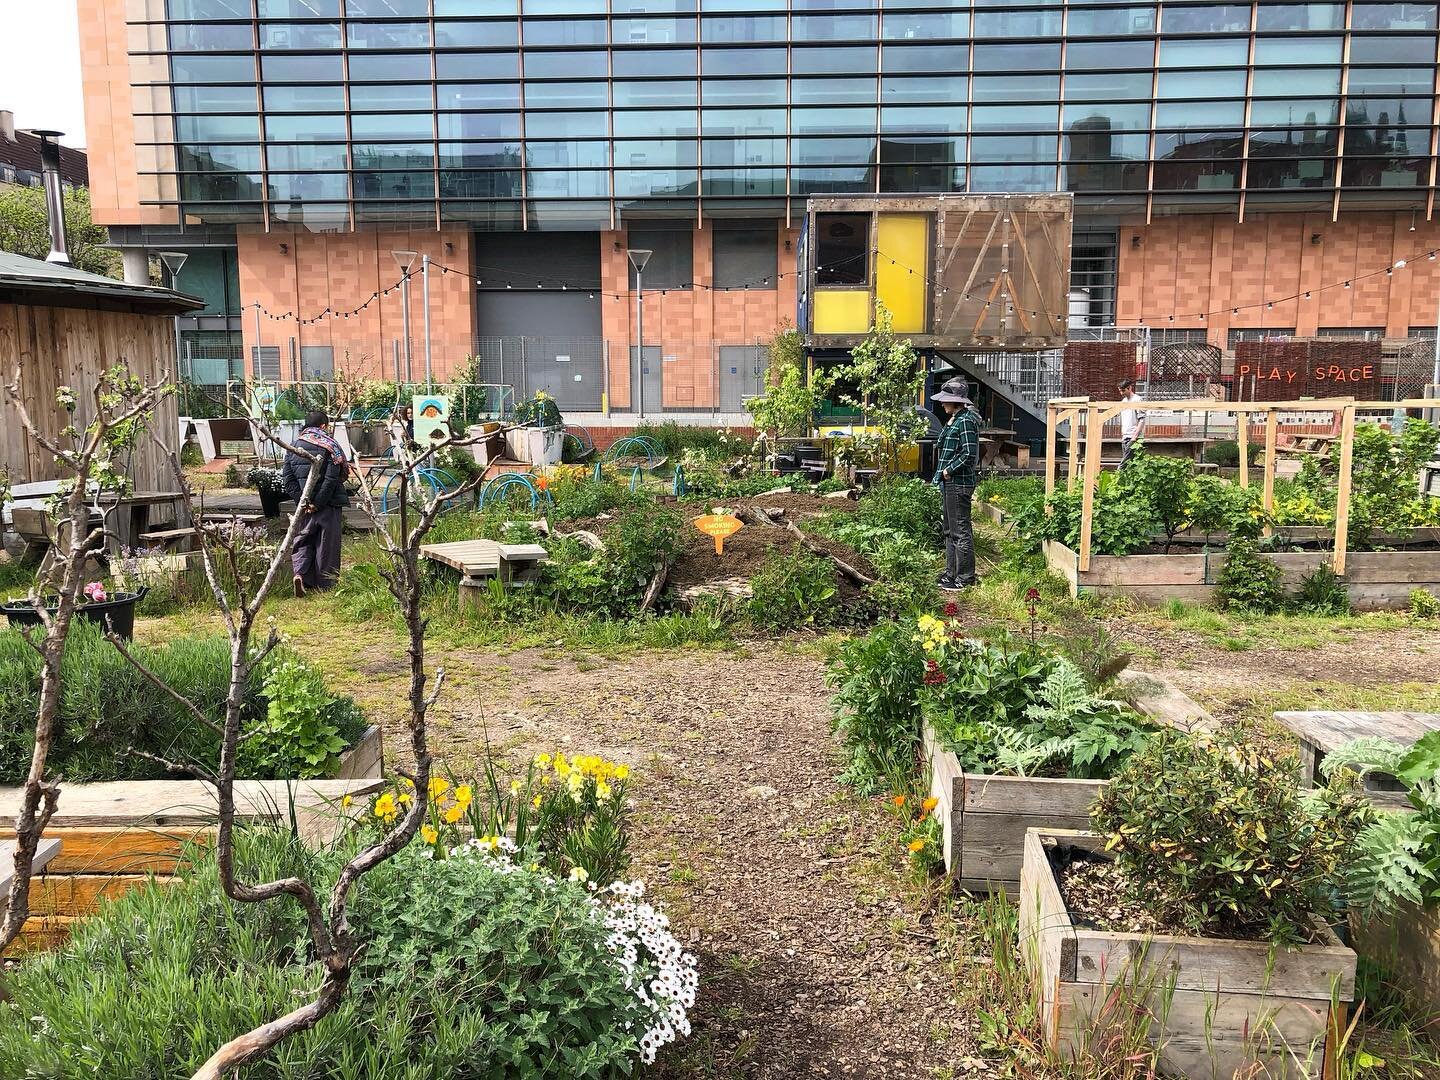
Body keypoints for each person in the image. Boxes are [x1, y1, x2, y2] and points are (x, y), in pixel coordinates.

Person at [281, 410, 350, 596]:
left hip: (303, 505)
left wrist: (302, 501)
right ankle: (325, 585)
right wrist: (318, 503)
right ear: (323, 426)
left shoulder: (294, 447)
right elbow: (331, 478)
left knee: (303, 540)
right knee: (326, 543)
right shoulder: (330, 446)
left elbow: (287, 479)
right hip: (328, 503)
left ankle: (301, 575)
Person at [930, 377, 980, 590]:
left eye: (946, 400)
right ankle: (951, 574)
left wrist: (949, 470)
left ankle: (965, 578)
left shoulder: (966, 421)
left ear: (956, 402)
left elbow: (969, 454)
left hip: (958, 483)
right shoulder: (955, 419)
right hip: (949, 482)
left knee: (960, 531)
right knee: (950, 531)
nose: (942, 404)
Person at [1118, 378, 1146, 468]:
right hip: (1125, 436)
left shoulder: (1137, 400)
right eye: (1120, 391)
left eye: (1123, 390)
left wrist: (1135, 436)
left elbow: (1142, 419)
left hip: (1134, 437)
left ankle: (1116, 479)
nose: (1121, 393)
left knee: (1123, 465)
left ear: (1130, 388)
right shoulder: (1124, 401)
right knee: (1129, 465)